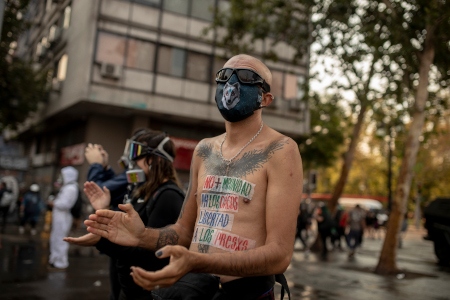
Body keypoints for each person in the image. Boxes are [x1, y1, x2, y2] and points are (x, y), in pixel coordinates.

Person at [84, 54, 303, 299]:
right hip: (193, 289)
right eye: (223, 75)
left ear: (265, 98)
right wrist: (142, 236)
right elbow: (185, 232)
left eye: (246, 77)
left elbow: (279, 256)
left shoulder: (281, 150)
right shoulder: (204, 150)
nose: (231, 83)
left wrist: (199, 262)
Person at [65, 130, 185, 300]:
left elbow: (150, 256)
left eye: (138, 155)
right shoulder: (141, 191)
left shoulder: (168, 196)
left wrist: (103, 241)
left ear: (156, 159)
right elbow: (125, 230)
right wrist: (105, 209)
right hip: (125, 288)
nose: (133, 161)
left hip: (142, 292)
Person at [83, 129, 150, 300]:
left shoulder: (141, 177)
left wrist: (96, 165)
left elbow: (98, 191)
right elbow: (118, 190)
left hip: (132, 250)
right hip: (124, 247)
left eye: (135, 151)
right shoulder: (135, 179)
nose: (130, 157)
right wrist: (104, 167)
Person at [48, 166, 79, 271]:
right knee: (56, 238)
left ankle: (60, 263)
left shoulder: (71, 188)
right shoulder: (67, 187)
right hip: (60, 217)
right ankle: (55, 260)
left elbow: (65, 204)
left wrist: (54, 203)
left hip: (63, 217)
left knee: (60, 240)